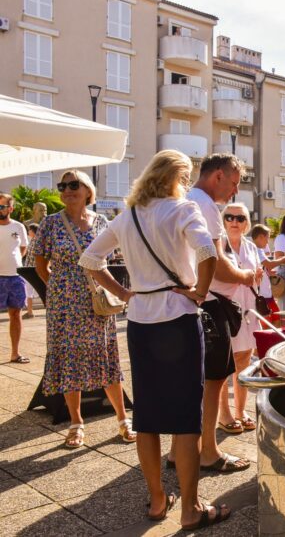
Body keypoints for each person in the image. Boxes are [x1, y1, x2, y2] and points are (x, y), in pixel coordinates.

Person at [79, 149, 230, 530]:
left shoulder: (127, 216)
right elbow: (207, 252)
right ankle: (191, 508)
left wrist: (124, 293)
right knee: (185, 417)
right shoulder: (182, 209)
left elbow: (90, 260)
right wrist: (199, 292)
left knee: (146, 415)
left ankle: (158, 500)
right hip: (178, 319)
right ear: (177, 178)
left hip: (141, 322)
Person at [32, 171, 133, 448]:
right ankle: (76, 423)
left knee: (105, 356)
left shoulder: (102, 222)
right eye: (62, 185)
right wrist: (59, 288)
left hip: (95, 301)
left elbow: (111, 258)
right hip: (64, 305)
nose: (67, 190)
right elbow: (40, 264)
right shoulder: (51, 223)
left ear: (88, 190)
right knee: (69, 360)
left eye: (73, 184)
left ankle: (123, 420)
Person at [179, 153, 254, 473]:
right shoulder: (206, 205)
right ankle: (208, 451)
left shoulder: (184, 200)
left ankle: (179, 450)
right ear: (218, 176)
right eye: (234, 183)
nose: (234, 191)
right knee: (212, 381)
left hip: (189, 303)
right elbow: (217, 264)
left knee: (192, 383)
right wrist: (245, 276)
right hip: (209, 303)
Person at [218, 203, 263, 434]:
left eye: (240, 218)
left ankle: (241, 410)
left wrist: (257, 276)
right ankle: (223, 413)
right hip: (225, 309)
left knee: (244, 358)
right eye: (229, 217)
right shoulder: (218, 245)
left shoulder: (251, 247)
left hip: (247, 310)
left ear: (246, 223)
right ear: (223, 220)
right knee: (223, 363)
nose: (234, 221)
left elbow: (256, 277)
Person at [0, 193, 29, 363]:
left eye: (1, 207)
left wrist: (14, 261)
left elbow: (23, 248)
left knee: (16, 314)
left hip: (16, 277)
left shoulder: (19, 227)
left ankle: (15, 353)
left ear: (10, 208)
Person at [250, 224, 285, 302]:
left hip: (264, 292)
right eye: (267, 238)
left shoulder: (256, 249)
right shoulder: (257, 249)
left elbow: (265, 267)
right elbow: (269, 264)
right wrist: (284, 259)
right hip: (262, 294)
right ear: (260, 237)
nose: (267, 242)